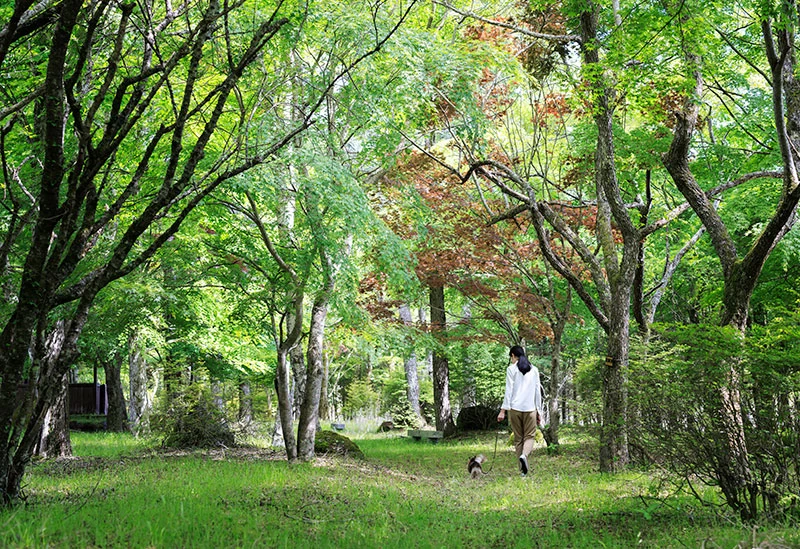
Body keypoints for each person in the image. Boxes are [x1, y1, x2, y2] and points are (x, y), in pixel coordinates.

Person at [497, 345, 542, 477]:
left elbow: (508, 391)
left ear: (513, 355)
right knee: (529, 436)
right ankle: (524, 455)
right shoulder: (534, 370)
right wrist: (539, 411)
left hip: (515, 409)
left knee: (518, 439)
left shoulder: (511, 369)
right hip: (530, 409)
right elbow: (537, 391)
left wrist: (502, 411)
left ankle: (522, 471)